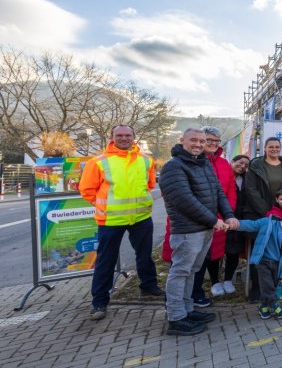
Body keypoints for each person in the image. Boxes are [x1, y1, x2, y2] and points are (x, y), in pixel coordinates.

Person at [160, 128, 238, 336]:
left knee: (192, 271)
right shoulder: (173, 167)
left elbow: (219, 192)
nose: (198, 144)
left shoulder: (203, 163)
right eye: (193, 140)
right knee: (181, 272)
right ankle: (176, 318)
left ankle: (187, 309)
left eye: (201, 141)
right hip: (188, 230)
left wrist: (228, 215)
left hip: (204, 229)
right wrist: (213, 220)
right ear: (182, 140)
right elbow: (185, 200)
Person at [80, 124, 162, 321]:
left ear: (134, 137)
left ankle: (148, 287)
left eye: (128, 135)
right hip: (111, 219)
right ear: (112, 137)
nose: (124, 138)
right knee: (105, 260)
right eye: (120, 135)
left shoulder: (146, 161)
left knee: (144, 256)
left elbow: (150, 185)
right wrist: (105, 206)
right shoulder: (98, 162)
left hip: (141, 217)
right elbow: (87, 190)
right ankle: (99, 301)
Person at [243, 137, 282, 302]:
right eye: (271, 147)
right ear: (265, 149)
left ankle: (277, 287)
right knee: (260, 253)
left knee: (278, 252)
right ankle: (257, 290)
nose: (274, 149)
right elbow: (251, 190)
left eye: (277, 147)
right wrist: (268, 212)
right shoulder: (256, 166)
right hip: (262, 214)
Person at [232, 213, 282, 320]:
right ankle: (275, 305)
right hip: (262, 261)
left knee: (268, 286)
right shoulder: (268, 222)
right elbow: (252, 225)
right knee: (267, 285)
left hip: (276, 264)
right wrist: (235, 224)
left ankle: (263, 307)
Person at [221, 154, 250, 294]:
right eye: (240, 162)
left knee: (234, 251)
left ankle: (227, 279)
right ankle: (215, 281)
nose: (243, 166)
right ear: (232, 161)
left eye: (246, 165)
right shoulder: (222, 176)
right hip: (221, 218)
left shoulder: (246, 180)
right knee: (216, 251)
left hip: (238, 221)